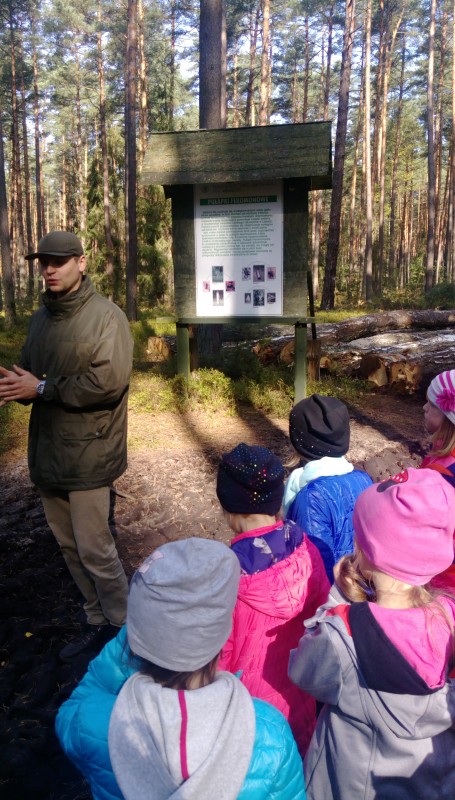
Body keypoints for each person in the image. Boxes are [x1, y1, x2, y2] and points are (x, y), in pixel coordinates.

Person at [55, 537, 306, 800]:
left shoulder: (92, 722)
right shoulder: (270, 732)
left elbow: (70, 711)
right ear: (220, 639)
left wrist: (140, 631)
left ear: (137, 642)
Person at [0, 231, 133, 659]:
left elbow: (107, 383)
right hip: (48, 452)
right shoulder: (40, 319)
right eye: (44, 262)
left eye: (59, 261)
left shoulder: (107, 318)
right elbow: (30, 375)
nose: (49, 269)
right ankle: (96, 619)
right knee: (69, 545)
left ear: (82, 262)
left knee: (96, 548)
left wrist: (41, 388)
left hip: (90, 453)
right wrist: (17, 386)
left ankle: (126, 630)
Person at [289, 468, 455, 800]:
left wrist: (336, 601)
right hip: (429, 781)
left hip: (351, 786)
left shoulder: (343, 634)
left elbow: (303, 672)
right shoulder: (449, 617)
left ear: (366, 553)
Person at [216, 443, 330, 756]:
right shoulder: (306, 546)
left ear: (228, 508)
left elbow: (219, 657)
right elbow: (323, 613)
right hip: (302, 692)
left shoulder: (227, 576)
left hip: (251, 714)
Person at [283, 393, 373, 582]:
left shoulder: (310, 496)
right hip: (362, 585)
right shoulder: (364, 480)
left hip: (332, 594)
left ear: (299, 442)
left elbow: (314, 565)